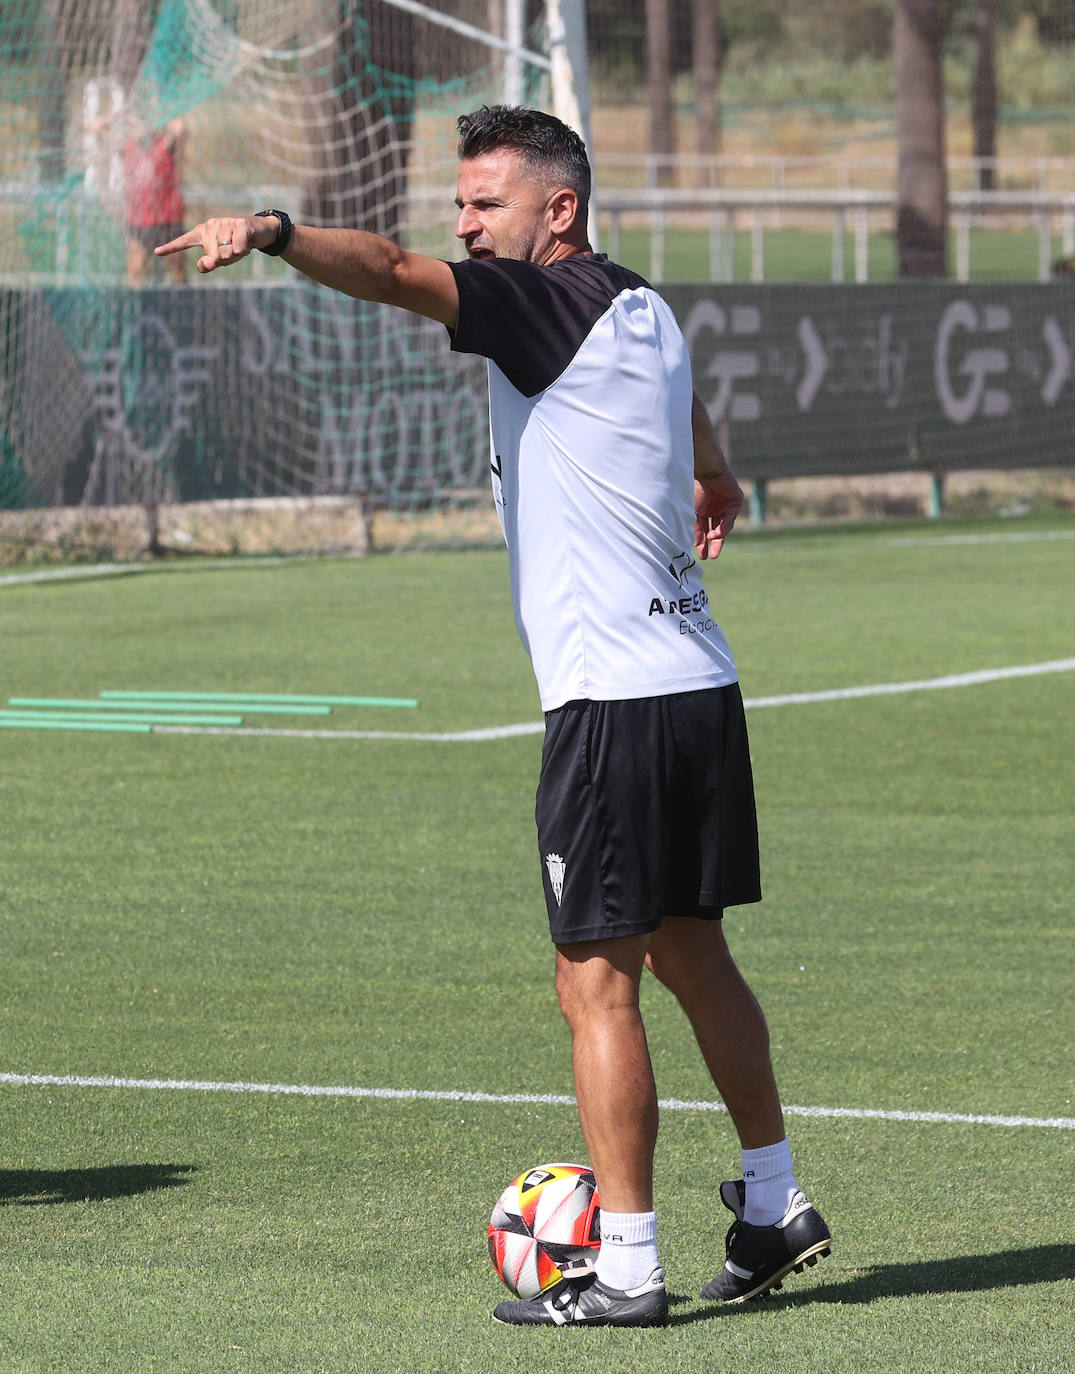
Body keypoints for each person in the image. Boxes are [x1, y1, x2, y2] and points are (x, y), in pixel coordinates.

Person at [156, 104, 831, 1329]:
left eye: (485, 204)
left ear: (556, 211)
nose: (463, 228)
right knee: (690, 951)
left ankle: (624, 1267)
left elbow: (394, 274)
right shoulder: (638, 304)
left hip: (611, 706)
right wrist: (715, 468)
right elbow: (679, 408)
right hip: (695, 686)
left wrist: (270, 228)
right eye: (460, 204)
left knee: (595, 987)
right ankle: (774, 1201)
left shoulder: (534, 302)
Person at [124, 115, 187, 287]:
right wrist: (109, 120)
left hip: (167, 219)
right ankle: (135, 308)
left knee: (178, 269)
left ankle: (182, 305)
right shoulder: (129, 148)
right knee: (136, 270)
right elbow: (99, 130)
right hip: (139, 220)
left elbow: (180, 130)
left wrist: (173, 120)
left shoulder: (163, 145)